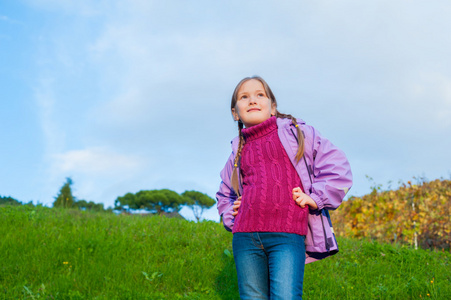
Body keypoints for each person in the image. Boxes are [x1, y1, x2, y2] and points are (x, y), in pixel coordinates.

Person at [216, 76, 353, 299]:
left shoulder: (297, 133)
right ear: (235, 113)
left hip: (287, 235)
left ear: (273, 107)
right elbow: (225, 193)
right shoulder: (238, 151)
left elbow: (338, 165)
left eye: (260, 95)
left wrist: (315, 197)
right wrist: (231, 212)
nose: (252, 100)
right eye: (244, 97)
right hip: (245, 238)